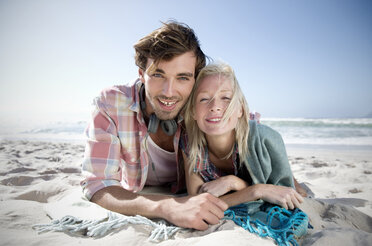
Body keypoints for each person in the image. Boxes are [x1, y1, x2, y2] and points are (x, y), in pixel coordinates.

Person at [80, 21, 228, 230]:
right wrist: (168, 207)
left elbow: (251, 128)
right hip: (140, 191)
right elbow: (97, 184)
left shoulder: (204, 102)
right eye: (158, 74)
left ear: (195, 79)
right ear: (141, 74)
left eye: (182, 78)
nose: (169, 91)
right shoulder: (111, 103)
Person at [181, 62, 304, 210]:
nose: (215, 106)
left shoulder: (265, 138)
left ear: (240, 109)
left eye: (226, 98)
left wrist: (234, 183)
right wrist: (256, 190)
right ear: (193, 111)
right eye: (204, 99)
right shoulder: (190, 143)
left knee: (299, 190)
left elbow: (282, 192)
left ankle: (295, 179)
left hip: (247, 135)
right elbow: (198, 202)